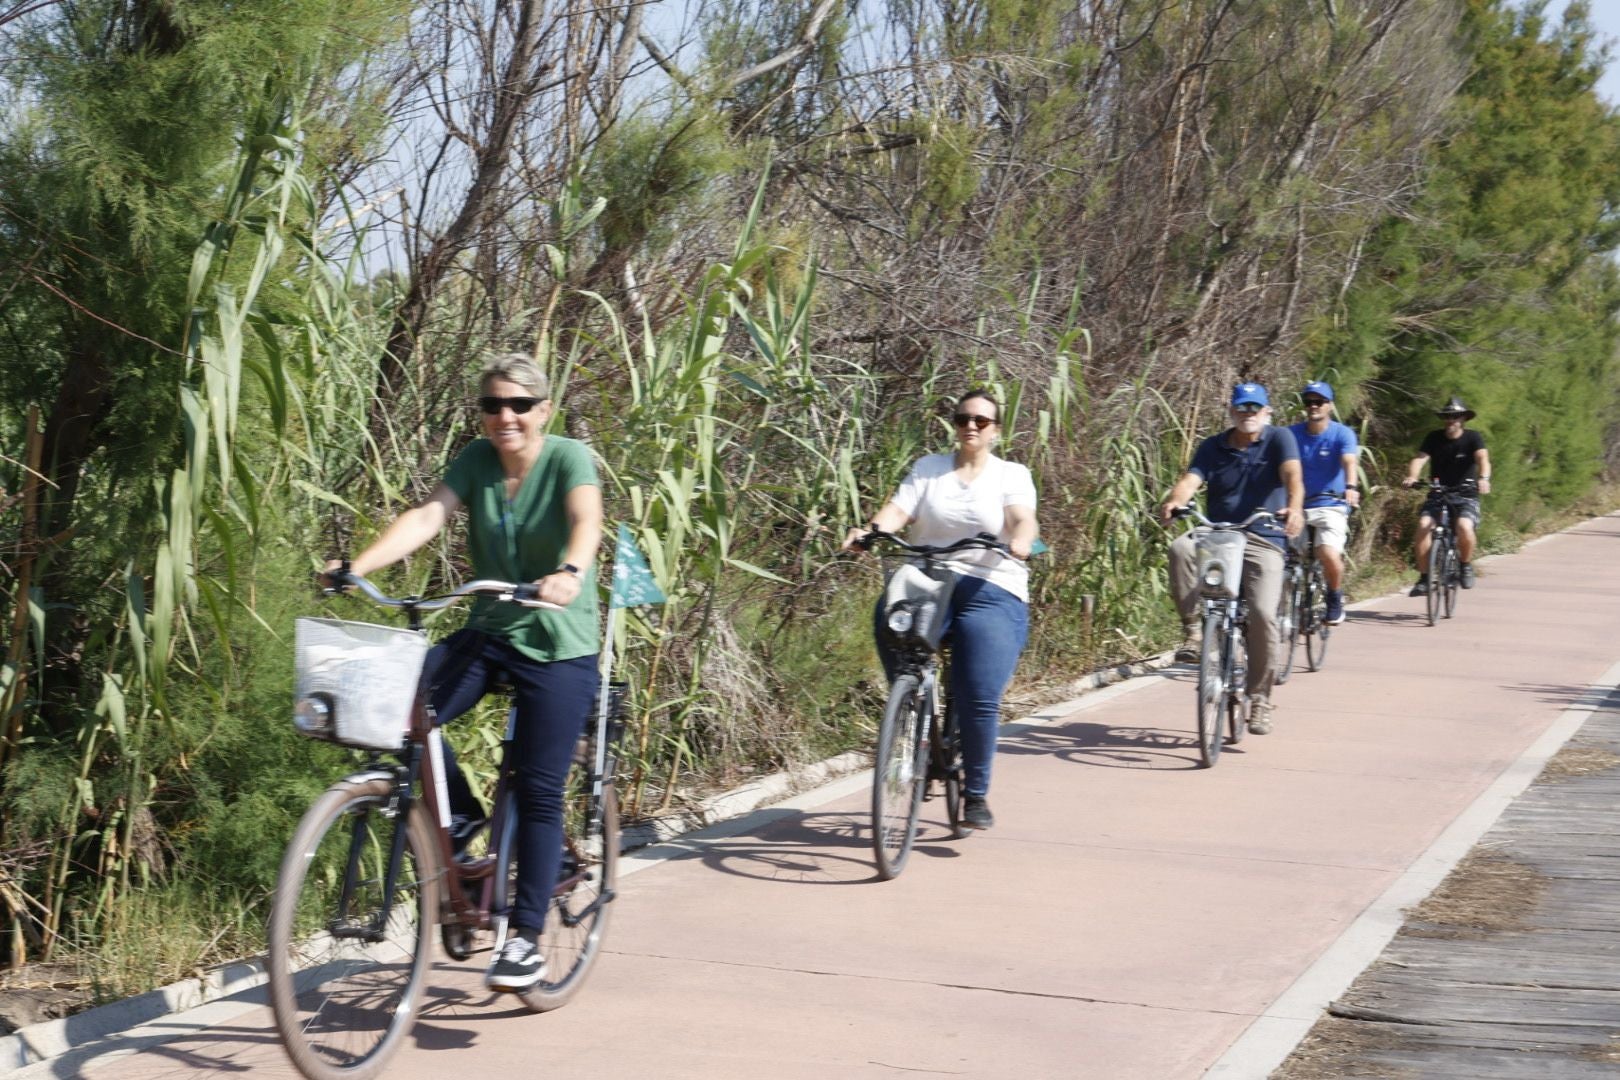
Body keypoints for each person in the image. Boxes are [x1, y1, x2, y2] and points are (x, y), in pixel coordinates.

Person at [322, 352, 602, 992]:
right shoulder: (476, 461)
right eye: (492, 405)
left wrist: (569, 573)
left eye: (519, 405)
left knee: (537, 788)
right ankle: (467, 821)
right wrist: (359, 568)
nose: (506, 416)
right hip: (491, 631)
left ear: (543, 411)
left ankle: (525, 940)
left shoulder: (568, 459)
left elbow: (587, 523)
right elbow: (428, 516)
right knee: (397, 708)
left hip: (559, 643)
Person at [842, 389, 1038, 830]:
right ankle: (911, 710)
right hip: (928, 579)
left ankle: (975, 793)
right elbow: (897, 510)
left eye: (982, 421)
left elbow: (1023, 517)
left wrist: (1022, 539)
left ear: (996, 431)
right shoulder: (928, 469)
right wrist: (870, 532)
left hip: (990, 583)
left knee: (978, 695)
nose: (971, 426)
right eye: (963, 418)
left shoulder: (1011, 474)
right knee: (889, 617)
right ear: (954, 424)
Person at [1159, 383, 1303, 735]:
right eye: (1242, 408)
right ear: (1232, 412)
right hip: (1218, 532)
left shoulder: (1280, 438)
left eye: (1256, 408)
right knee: (1180, 548)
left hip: (1262, 536)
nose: (1248, 414)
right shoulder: (1213, 446)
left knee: (1263, 615)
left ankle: (1259, 698)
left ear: (1267, 412)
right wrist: (1175, 501)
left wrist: (1294, 507)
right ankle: (1194, 632)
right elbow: (1190, 481)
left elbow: (1293, 476)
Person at [1286, 381, 1361, 625]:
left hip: (1331, 503)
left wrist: (1350, 487)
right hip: (1298, 506)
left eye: (1319, 402)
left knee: (1327, 552)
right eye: (1309, 402)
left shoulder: (1342, 433)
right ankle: (1290, 606)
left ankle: (1334, 595)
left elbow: (1350, 461)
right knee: (1285, 557)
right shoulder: (1292, 434)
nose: (1313, 406)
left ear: (1330, 405)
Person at [1402, 396, 1490, 594]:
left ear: (1463, 419)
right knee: (1424, 525)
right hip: (1438, 494)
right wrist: (1412, 476)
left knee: (1464, 526)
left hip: (1466, 494)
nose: (1451, 420)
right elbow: (1420, 459)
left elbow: (1483, 458)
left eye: (1456, 416)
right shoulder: (1434, 437)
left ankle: (1465, 565)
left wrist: (1483, 478)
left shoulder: (1473, 437)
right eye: (1447, 416)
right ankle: (1424, 577)